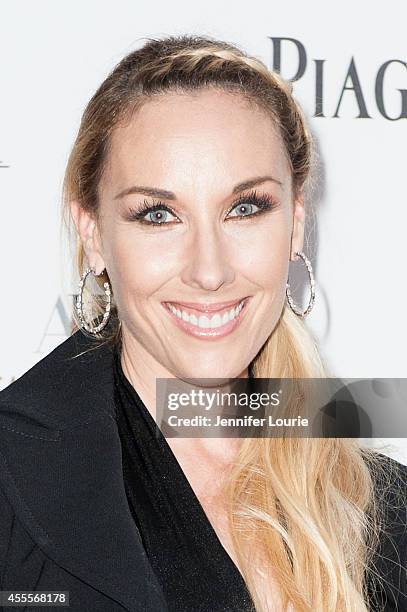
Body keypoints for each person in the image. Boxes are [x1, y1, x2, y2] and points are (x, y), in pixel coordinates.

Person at [0, 34, 406, 612]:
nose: (209, 271)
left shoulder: (384, 508)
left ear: (294, 222)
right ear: (93, 232)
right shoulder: (15, 485)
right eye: (158, 215)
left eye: (245, 208)